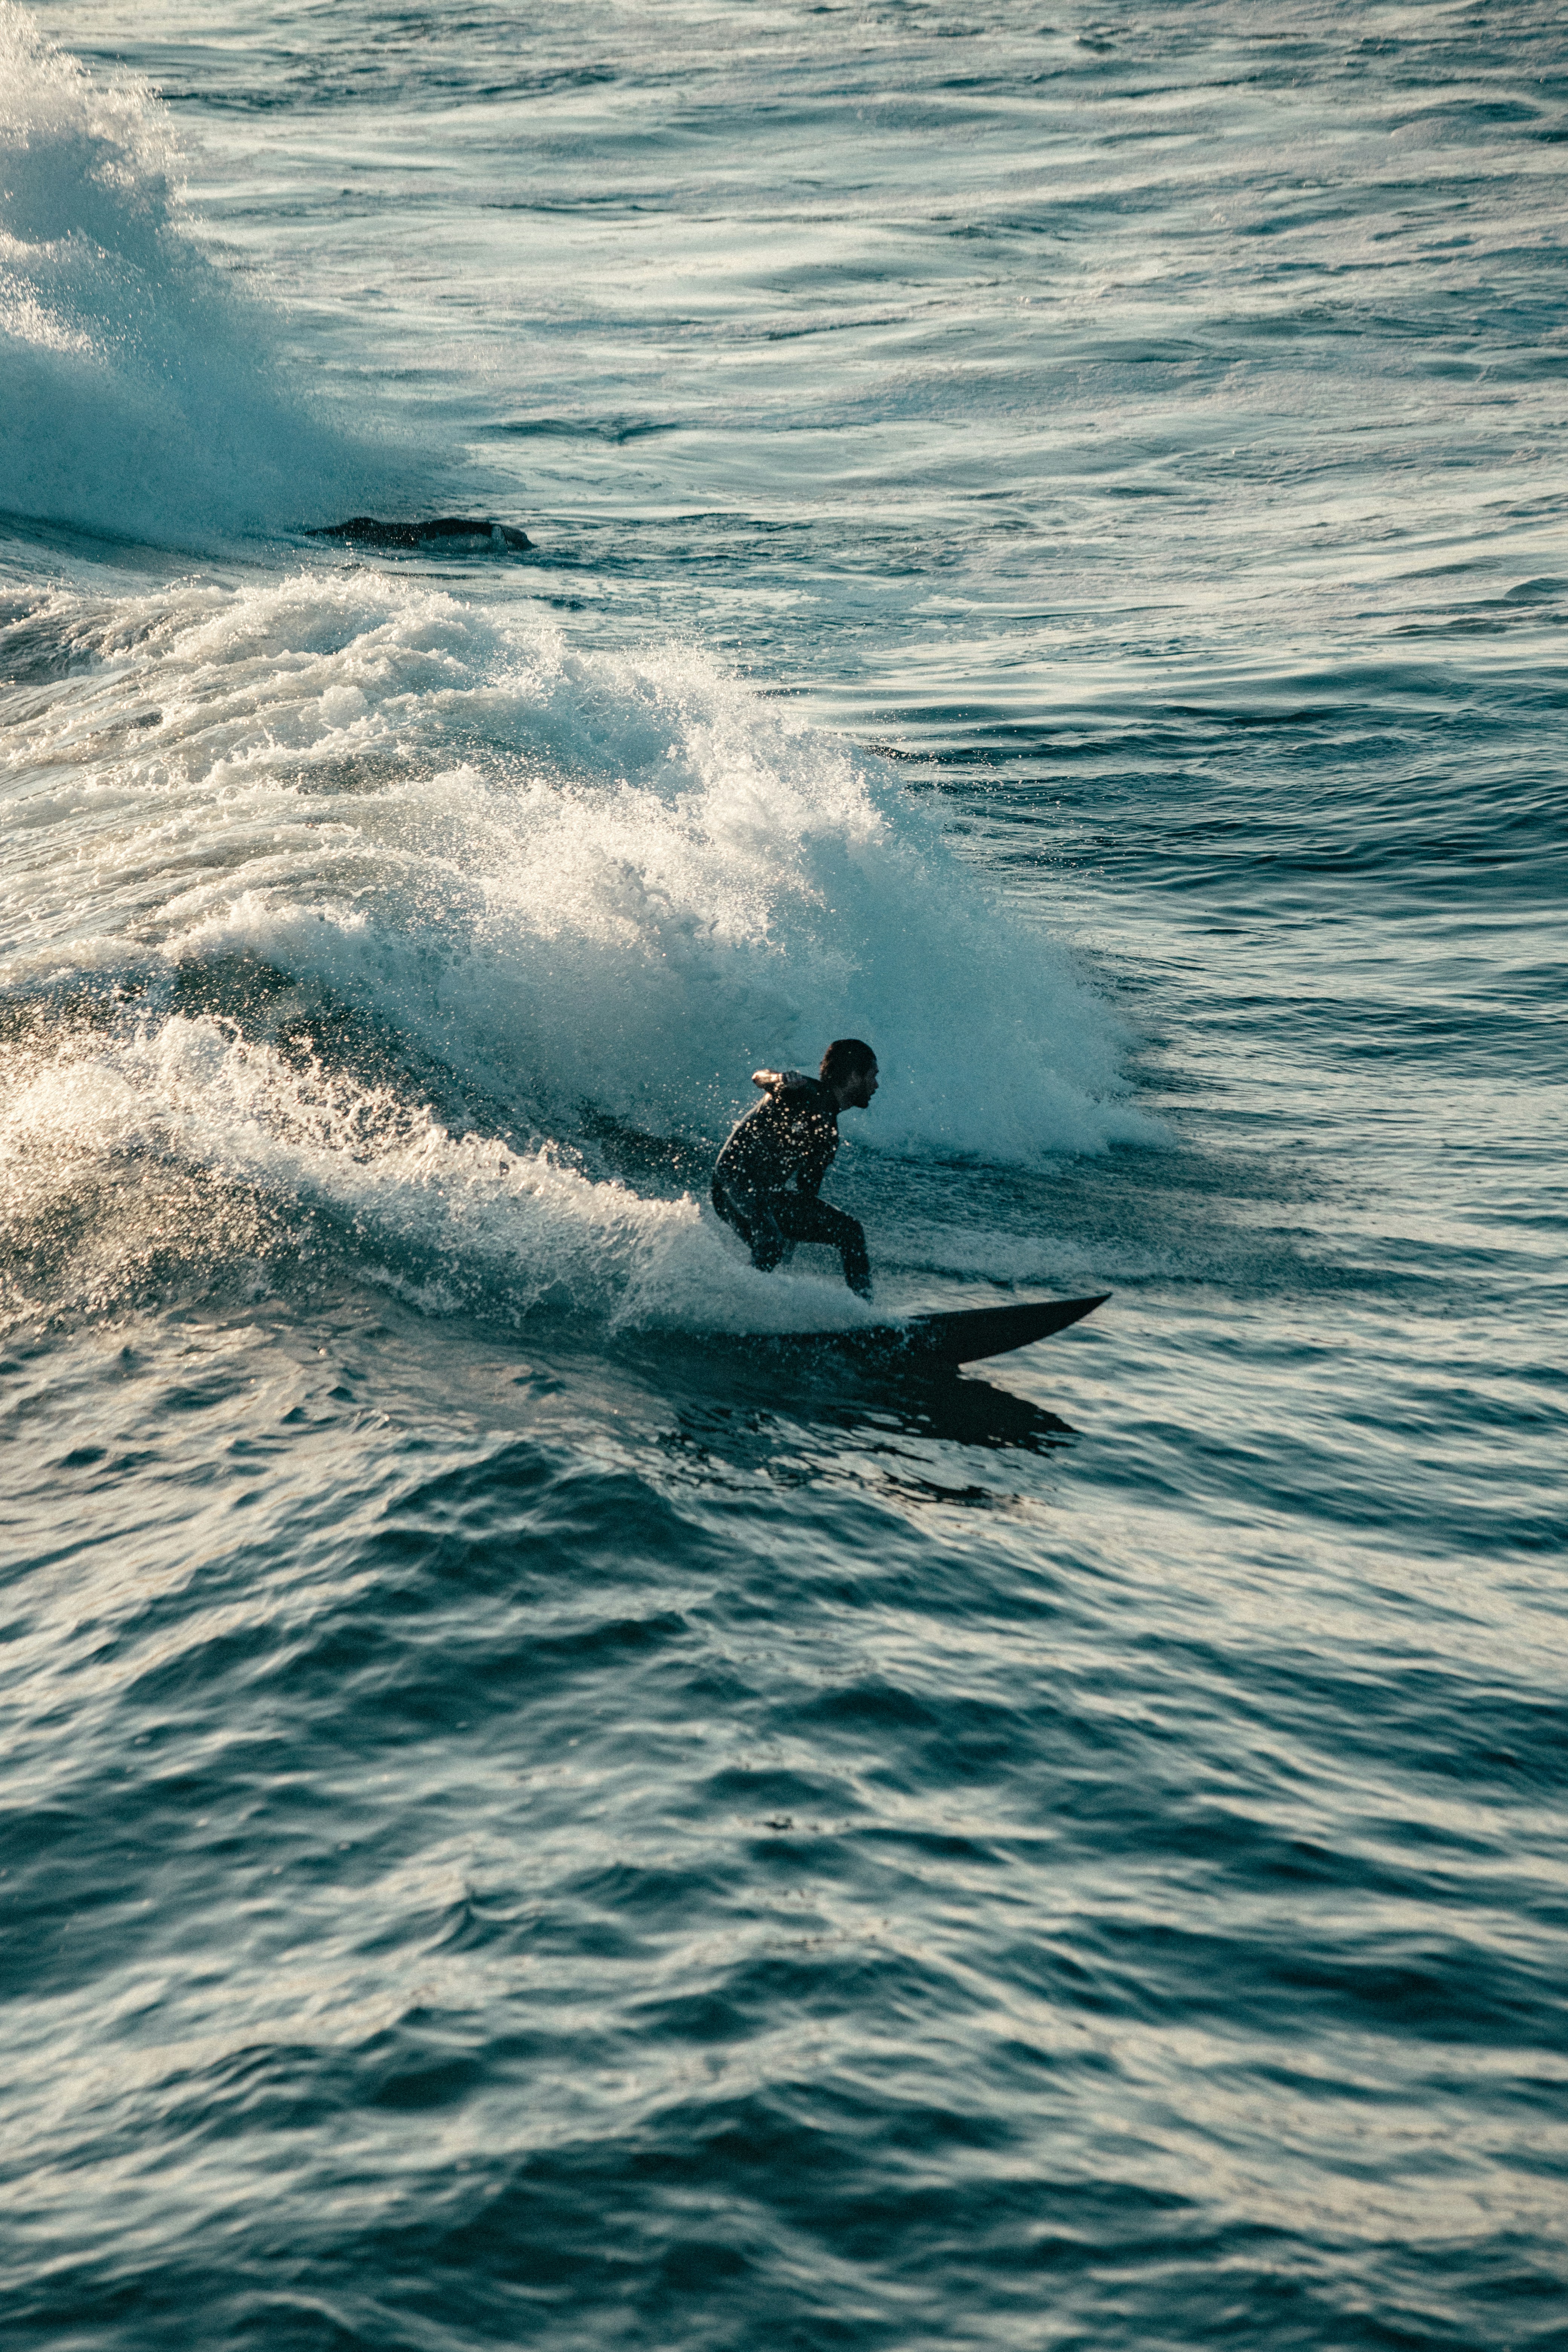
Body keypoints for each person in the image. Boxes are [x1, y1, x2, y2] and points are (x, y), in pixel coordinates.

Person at [711, 1038, 878, 1297]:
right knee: (770, 1244)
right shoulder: (804, 1090)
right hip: (732, 1184)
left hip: (766, 1195)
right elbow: (759, 1078)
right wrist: (779, 1079)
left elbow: (806, 1194)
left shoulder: (828, 1133)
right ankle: (741, 1305)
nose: (876, 1085)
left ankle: (866, 1313)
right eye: (872, 1076)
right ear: (855, 1076)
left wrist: (795, 1229)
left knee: (850, 1232)